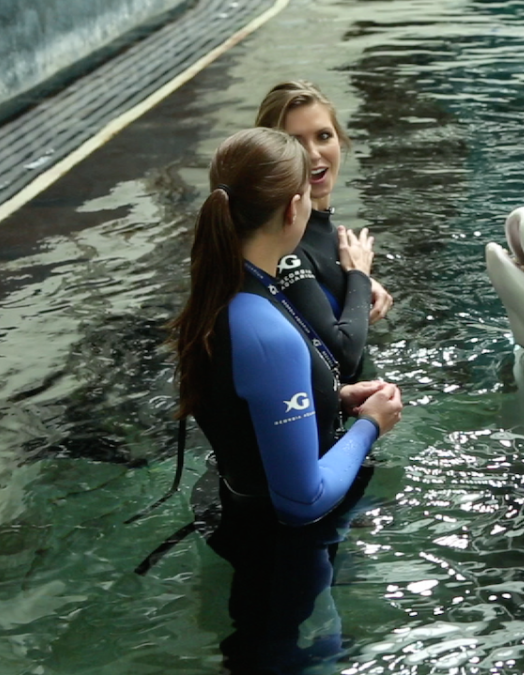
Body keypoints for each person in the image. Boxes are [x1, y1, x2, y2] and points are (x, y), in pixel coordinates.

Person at [168, 127, 403, 672]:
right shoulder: (264, 329)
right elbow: (302, 501)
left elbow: (246, 404)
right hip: (281, 550)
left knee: (262, 646)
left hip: (241, 519)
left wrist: (335, 398)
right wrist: (370, 423)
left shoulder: (233, 289)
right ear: (296, 206)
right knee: (284, 655)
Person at [255, 80, 393, 382]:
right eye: (296, 142)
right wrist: (357, 276)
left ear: (340, 140)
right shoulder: (284, 245)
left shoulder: (321, 229)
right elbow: (342, 356)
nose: (314, 154)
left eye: (324, 136)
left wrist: (356, 283)